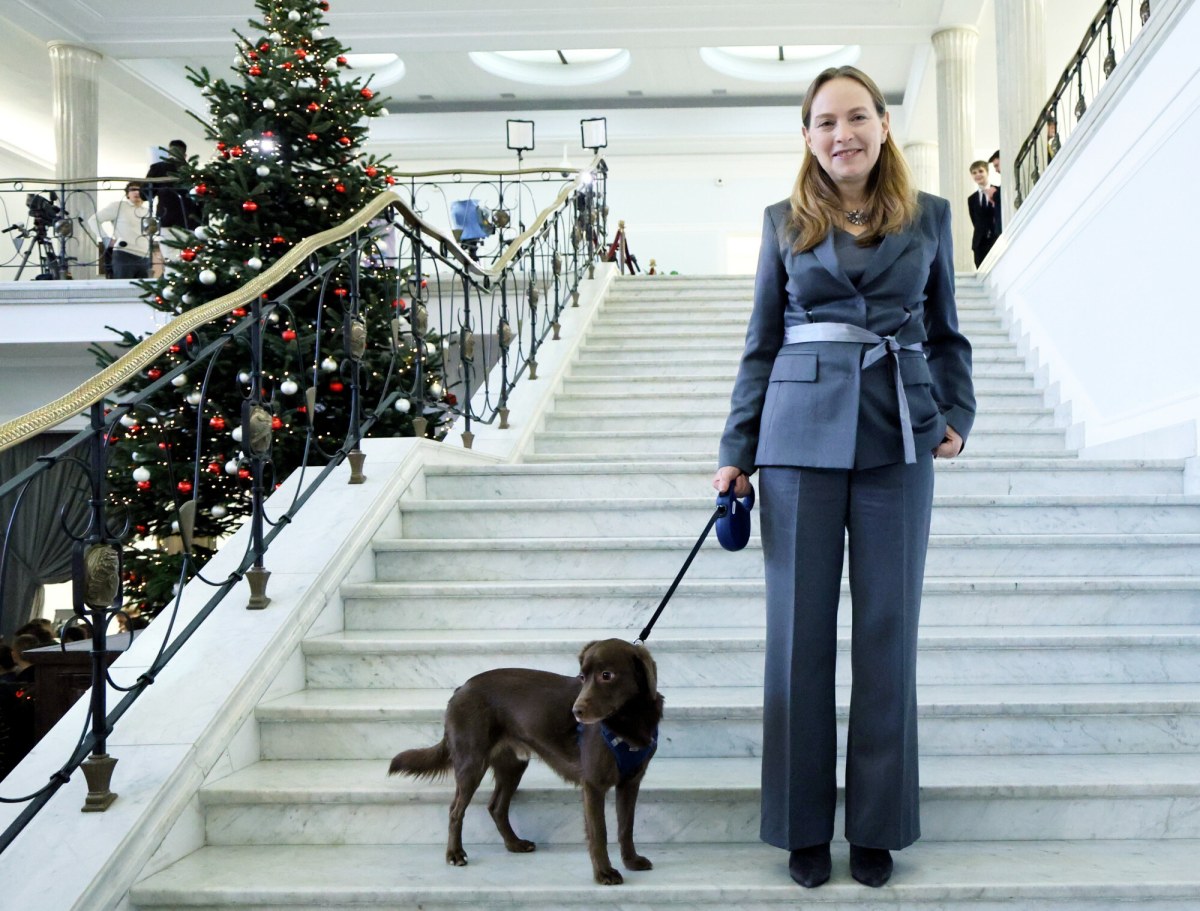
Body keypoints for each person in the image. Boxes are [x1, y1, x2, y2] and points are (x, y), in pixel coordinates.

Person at [712, 66, 975, 890]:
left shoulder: (931, 216)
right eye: (825, 121)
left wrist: (955, 411)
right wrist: (737, 448)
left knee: (888, 633)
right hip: (796, 437)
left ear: (883, 124)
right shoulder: (781, 220)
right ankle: (800, 825)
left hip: (900, 433)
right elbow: (761, 342)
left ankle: (877, 825)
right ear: (807, 136)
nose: (842, 133)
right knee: (798, 638)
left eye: (856, 116)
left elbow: (946, 332)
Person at [144, 139, 199, 270]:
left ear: (168, 152)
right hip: (191, 221)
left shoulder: (158, 168)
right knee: (192, 261)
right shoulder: (193, 172)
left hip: (167, 220)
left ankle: (173, 280)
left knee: (171, 261)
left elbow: (145, 193)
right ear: (185, 155)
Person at [89, 182, 153, 279]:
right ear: (127, 194)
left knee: (143, 288)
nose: (137, 192)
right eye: (133, 190)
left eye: (140, 190)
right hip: (124, 253)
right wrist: (106, 239)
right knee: (123, 286)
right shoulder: (119, 206)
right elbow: (93, 220)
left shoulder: (147, 211)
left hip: (145, 256)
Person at [967, 160, 1002, 267]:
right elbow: (975, 221)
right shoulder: (971, 199)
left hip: (996, 240)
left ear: (987, 172)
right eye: (974, 173)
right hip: (979, 244)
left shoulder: (998, 191)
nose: (977, 174)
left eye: (980, 171)